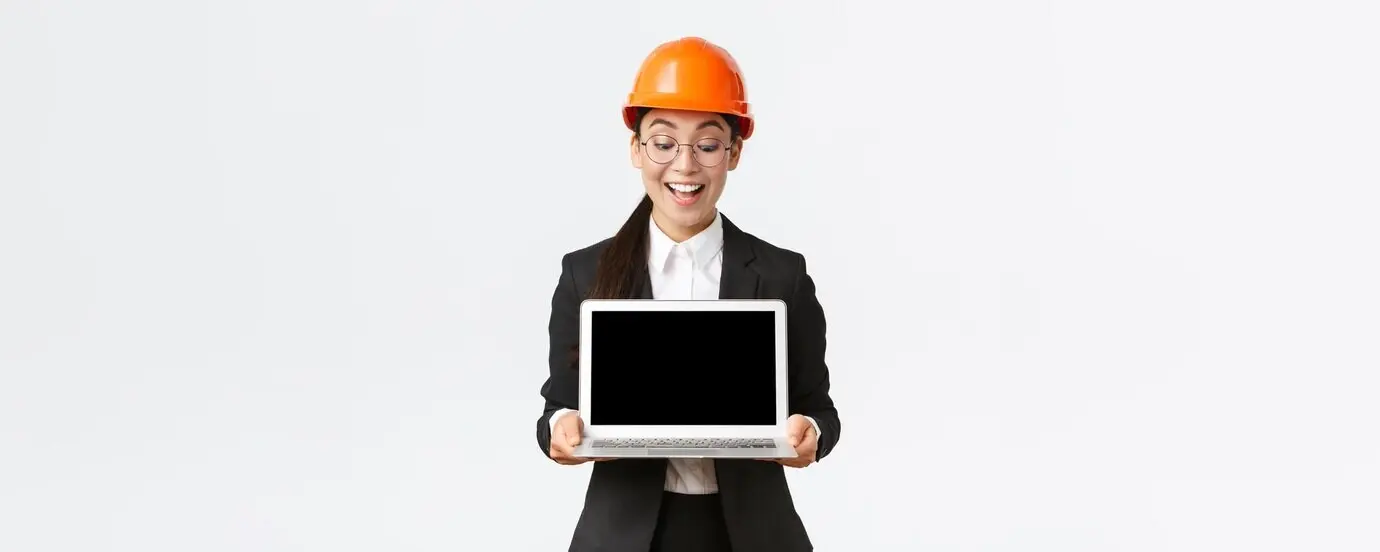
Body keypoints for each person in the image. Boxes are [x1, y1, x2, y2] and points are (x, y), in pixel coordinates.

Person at [534, 36, 842, 552]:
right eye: (662, 141)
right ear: (636, 148)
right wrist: (563, 431)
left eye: (706, 144)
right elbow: (557, 407)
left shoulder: (782, 276)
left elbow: (820, 410)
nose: (684, 165)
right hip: (626, 533)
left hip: (750, 533)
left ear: (733, 152)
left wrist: (808, 431)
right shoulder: (584, 275)